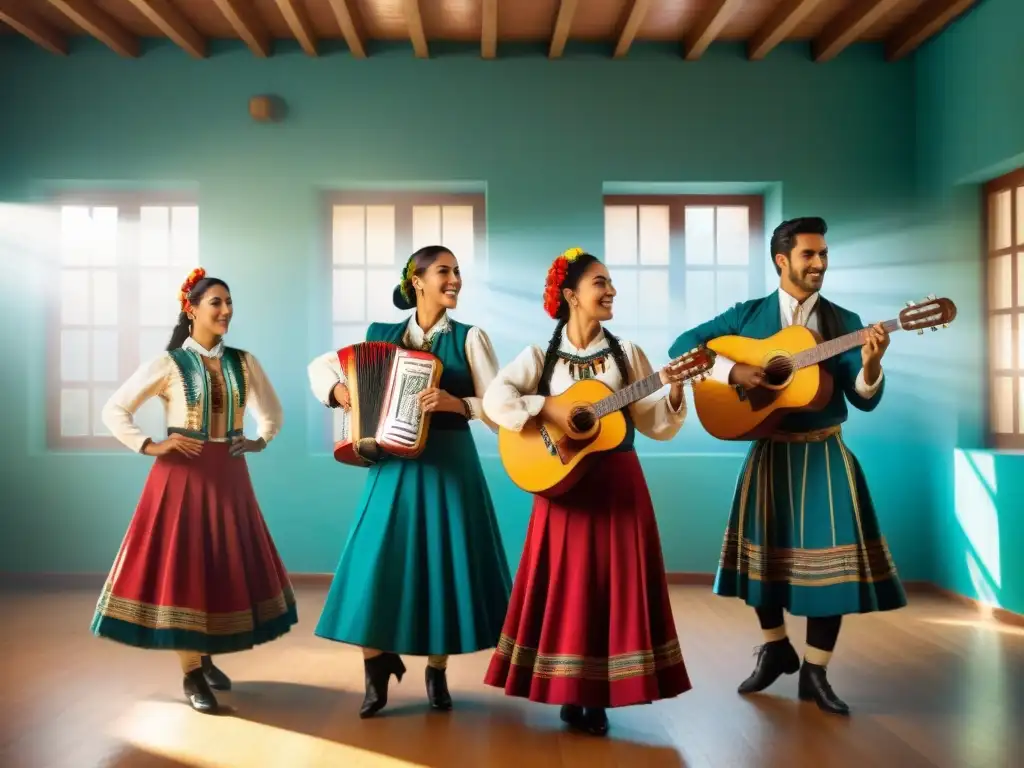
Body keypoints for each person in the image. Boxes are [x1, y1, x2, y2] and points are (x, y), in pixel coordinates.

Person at [667, 217, 907, 716]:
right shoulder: (748, 316)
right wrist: (733, 369)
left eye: (824, 254)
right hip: (770, 451)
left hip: (824, 453)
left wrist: (870, 364)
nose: (819, 263)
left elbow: (863, 399)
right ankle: (775, 646)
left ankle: (816, 671)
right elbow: (681, 349)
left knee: (833, 568)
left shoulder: (845, 322)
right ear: (782, 260)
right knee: (764, 560)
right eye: (809, 255)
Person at [481, 247, 693, 738]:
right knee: (566, 587)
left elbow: (654, 420)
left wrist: (676, 389)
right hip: (562, 487)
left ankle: (597, 695)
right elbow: (497, 398)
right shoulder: (540, 356)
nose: (611, 290)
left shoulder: (628, 355)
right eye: (601, 282)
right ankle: (566, 688)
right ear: (571, 295)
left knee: (611, 588)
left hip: (618, 483)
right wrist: (549, 409)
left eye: (611, 282)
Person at [307, 245, 512, 718]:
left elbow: (500, 411)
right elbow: (322, 369)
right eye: (445, 272)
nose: (456, 280)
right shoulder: (381, 335)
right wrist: (338, 393)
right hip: (392, 462)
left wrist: (457, 405)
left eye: (458, 272)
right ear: (417, 280)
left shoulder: (470, 337)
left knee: (444, 565)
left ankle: (436, 670)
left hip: (450, 462)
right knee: (372, 564)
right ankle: (376, 667)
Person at [92, 267, 297, 715]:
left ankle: (204, 657)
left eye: (228, 303)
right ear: (192, 310)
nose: (226, 311)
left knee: (219, 563)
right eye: (216, 303)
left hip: (230, 476)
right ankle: (191, 673)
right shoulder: (169, 364)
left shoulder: (243, 362)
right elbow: (115, 408)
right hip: (180, 479)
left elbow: (273, 412)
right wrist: (152, 445)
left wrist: (261, 439)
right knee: (184, 566)